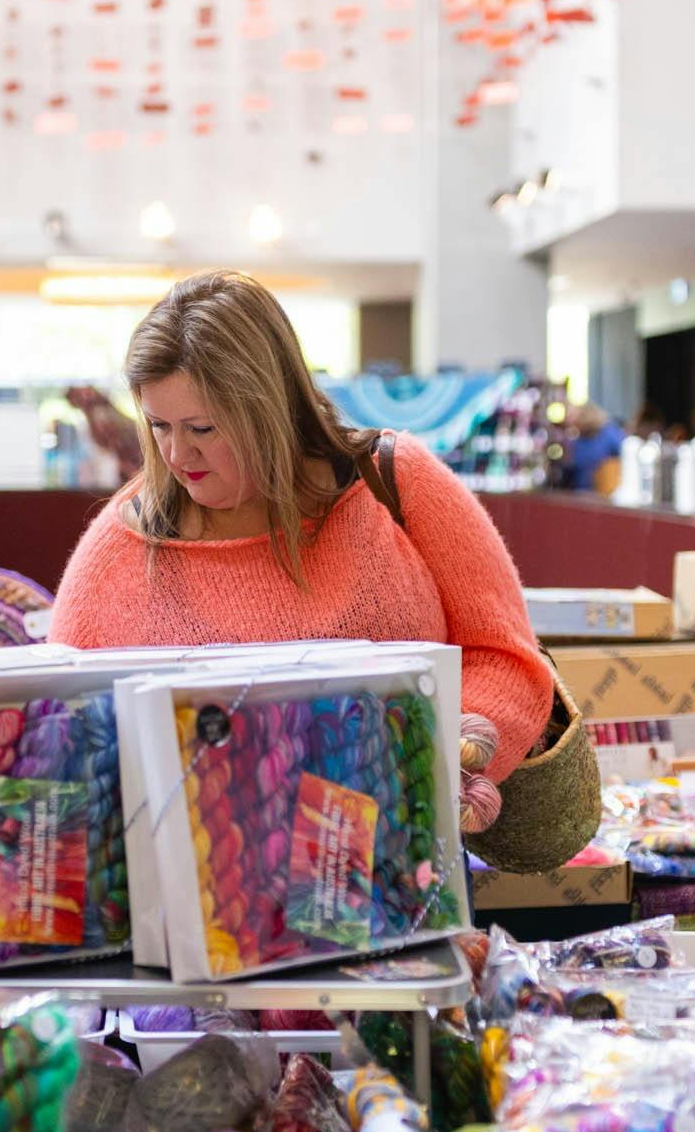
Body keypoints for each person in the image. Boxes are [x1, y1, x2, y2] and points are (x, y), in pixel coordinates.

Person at [49, 269, 552, 786]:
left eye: (202, 428)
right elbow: (57, 730)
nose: (177, 454)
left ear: (271, 410)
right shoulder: (120, 544)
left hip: (401, 848)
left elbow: (505, 656)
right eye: (158, 426)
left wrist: (454, 757)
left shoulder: (397, 485)